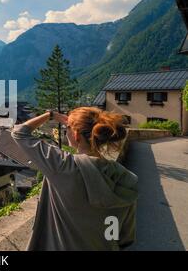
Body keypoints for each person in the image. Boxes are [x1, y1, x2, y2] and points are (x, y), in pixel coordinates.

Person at [11, 107, 138, 251]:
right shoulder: (126, 179)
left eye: (68, 128)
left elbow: (19, 133)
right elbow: (123, 237)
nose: (66, 131)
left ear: (76, 135)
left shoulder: (62, 166)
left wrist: (50, 115)